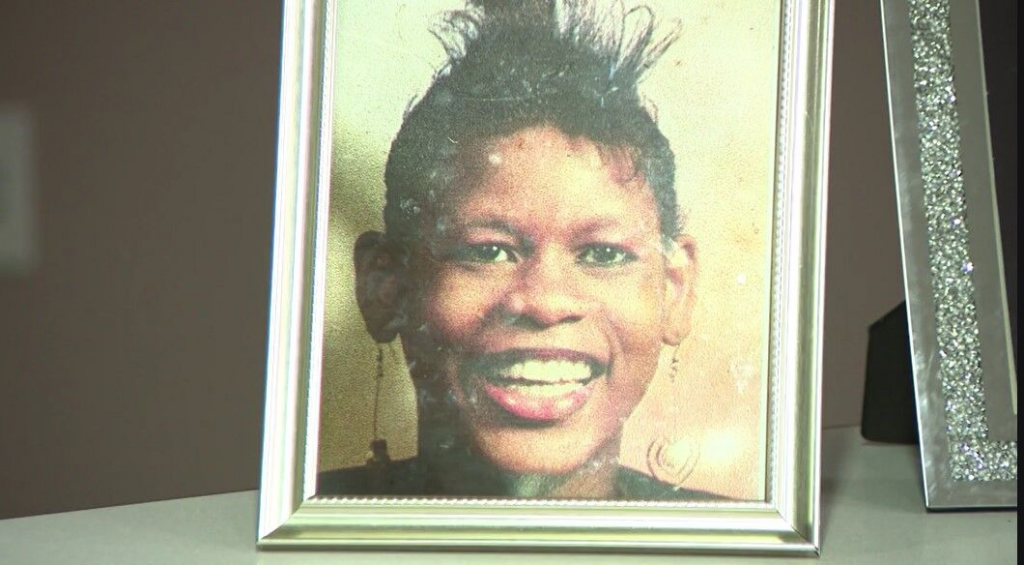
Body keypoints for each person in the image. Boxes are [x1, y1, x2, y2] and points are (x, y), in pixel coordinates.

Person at [319, 0, 714, 500]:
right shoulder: (309, 520)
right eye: (489, 251)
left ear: (673, 290)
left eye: (604, 254)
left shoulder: (742, 536)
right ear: (387, 288)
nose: (546, 303)